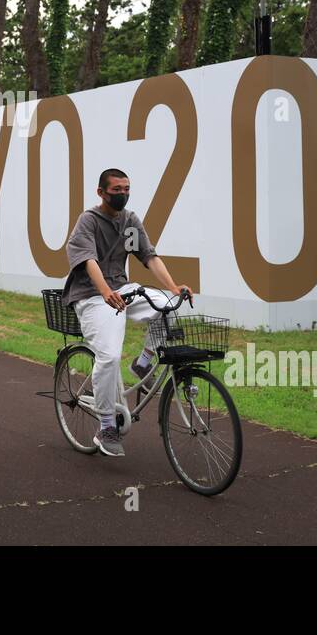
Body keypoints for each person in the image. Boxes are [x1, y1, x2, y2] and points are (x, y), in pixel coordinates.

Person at [61, 168, 192, 457]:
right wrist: (106, 292)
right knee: (108, 357)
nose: (122, 194)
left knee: (168, 306)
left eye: (126, 189)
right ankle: (107, 426)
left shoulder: (130, 221)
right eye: (116, 190)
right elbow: (88, 261)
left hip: (123, 289)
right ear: (101, 193)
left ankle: (143, 362)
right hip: (92, 296)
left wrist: (172, 286)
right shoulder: (89, 221)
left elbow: (149, 257)